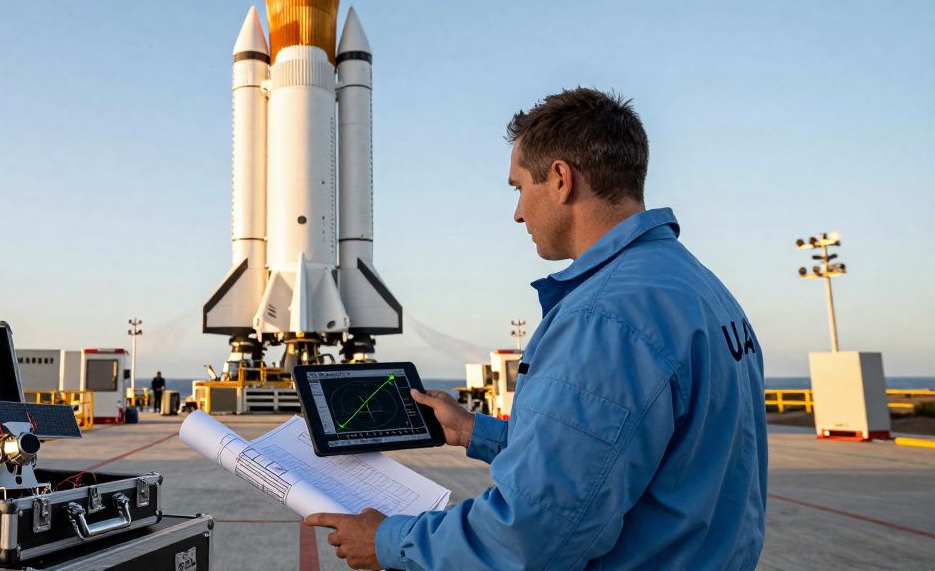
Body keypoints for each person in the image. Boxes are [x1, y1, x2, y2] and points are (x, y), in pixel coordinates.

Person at [306, 88, 768, 570]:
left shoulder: (604, 318)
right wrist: (473, 431)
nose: (518, 212)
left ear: (561, 180)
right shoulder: (699, 287)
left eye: (519, 187)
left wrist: (388, 540)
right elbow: (614, 454)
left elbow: (531, 534)